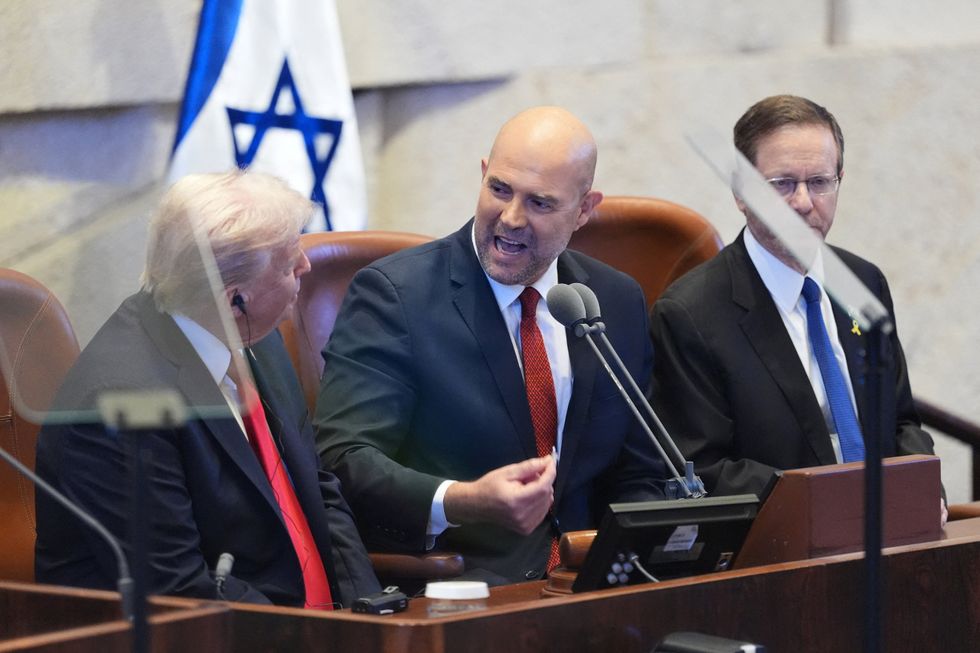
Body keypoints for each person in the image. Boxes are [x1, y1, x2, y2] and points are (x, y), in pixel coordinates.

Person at [314, 106, 667, 584]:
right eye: (499, 189)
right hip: (465, 585)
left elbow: (641, 471)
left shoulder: (612, 301)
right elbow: (343, 458)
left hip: (594, 581)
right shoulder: (396, 296)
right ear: (483, 175)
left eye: (541, 203)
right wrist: (462, 500)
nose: (512, 218)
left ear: (584, 210)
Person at [35, 170, 380, 607]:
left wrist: (370, 614)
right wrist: (314, 638)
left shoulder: (257, 336)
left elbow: (317, 489)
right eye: (288, 262)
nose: (305, 266)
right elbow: (178, 591)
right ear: (236, 298)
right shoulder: (118, 403)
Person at [649, 95, 939, 506]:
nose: (803, 203)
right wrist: (828, 503)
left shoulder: (862, 281)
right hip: (782, 549)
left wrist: (923, 488)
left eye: (819, 182)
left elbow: (901, 420)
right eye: (782, 184)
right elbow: (703, 470)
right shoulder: (690, 314)